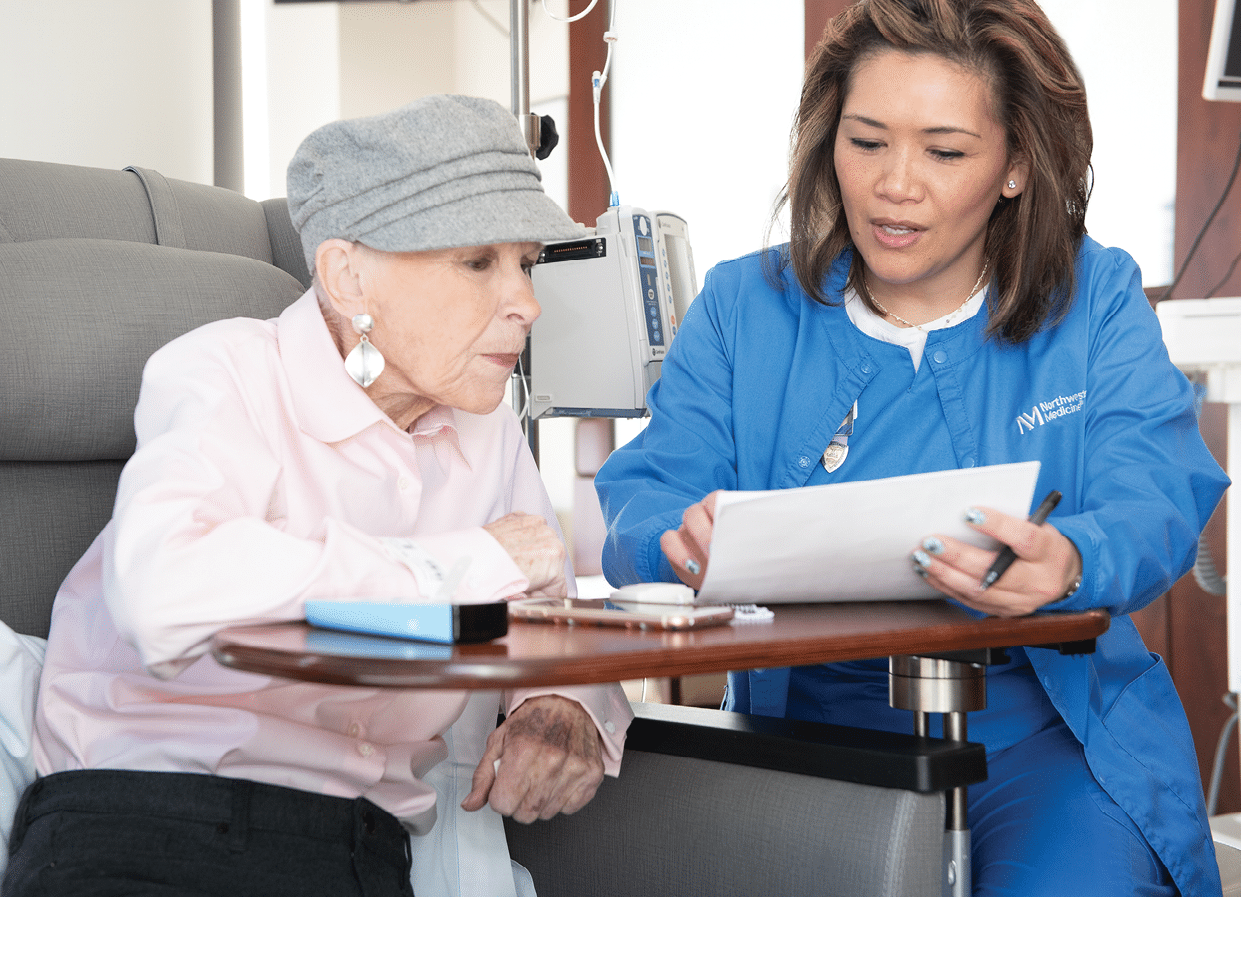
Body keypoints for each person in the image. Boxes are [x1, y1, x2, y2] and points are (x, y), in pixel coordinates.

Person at [594, 0, 1228, 896]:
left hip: (1041, 726)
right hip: (808, 734)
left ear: (1014, 166)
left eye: (944, 151)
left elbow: (1155, 489)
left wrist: (1074, 557)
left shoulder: (1094, 297)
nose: (895, 184)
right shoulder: (744, 307)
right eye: (866, 142)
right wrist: (677, 537)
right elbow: (645, 496)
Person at [3, 95, 632, 896]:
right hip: (146, 823)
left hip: (352, 851)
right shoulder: (227, 372)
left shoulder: (483, 426)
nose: (527, 303)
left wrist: (560, 704)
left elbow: (551, 621)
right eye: (478, 262)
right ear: (347, 276)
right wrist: (463, 567)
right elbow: (165, 589)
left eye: (527, 262)